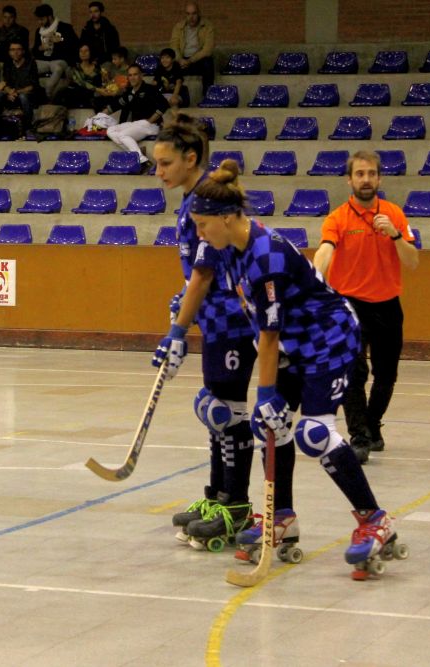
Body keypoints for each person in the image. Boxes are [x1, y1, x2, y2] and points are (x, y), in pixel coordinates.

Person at [189, 159, 404, 576]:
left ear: (229, 218)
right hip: (292, 340)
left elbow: (268, 335)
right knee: (270, 425)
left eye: (203, 225)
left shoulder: (264, 255)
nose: (199, 233)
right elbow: (258, 321)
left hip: (330, 338)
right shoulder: (230, 250)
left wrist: (267, 393)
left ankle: (375, 520)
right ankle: (281, 517)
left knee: (314, 433)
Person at [150, 115, 257, 550]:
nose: (158, 172)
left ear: (190, 158)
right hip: (213, 321)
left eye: (165, 163)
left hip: (233, 322)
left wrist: (177, 331)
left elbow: (204, 276)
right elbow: (195, 277)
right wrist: (185, 304)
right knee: (215, 411)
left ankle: (237, 505)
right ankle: (218, 497)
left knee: (228, 413)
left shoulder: (209, 200)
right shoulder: (189, 199)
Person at [313, 151, 419, 461]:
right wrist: (316, 278)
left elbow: (412, 262)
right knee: (353, 372)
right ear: (350, 180)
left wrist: (396, 235)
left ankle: (372, 425)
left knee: (387, 375)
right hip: (349, 307)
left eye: (371, 173)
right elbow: (325, 250)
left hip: (387, 305)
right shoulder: (338, 218)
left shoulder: (394, 214)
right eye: (360, 174)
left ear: (380, 178)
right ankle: (359, 436)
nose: (366, 179)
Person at [103, 63, 169, 171]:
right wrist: (98, 117)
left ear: (141, 76)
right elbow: (115, 105)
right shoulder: (129, 92)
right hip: (136, 124)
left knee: (123, 135)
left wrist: (150, 120)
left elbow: (164, 104)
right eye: (130, 75)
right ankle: (140, 156)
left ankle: (139, 158)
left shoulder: (150, 89)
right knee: (110, 130)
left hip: (151, 125)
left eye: (135, 74)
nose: (132, 77)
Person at [0, 40, 44, 133]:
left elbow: (33, 85)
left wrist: (16, 93)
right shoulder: (7, 64)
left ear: (23, 51)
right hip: (11, 95)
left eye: (18, 49)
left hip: (27, 95)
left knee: (23, 97)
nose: (15, 52)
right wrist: (9, 92)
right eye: (12, 50)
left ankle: (28, 127)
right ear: (9, 52)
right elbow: (4, 83)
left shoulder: (30, 63)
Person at [31, 4, 78, 101]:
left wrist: (60, 40)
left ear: (49, 17)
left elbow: (75, 45)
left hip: (59, 59)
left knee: (58, 68)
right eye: (38, 19)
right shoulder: (38, 31)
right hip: (43, 60)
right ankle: (32, 90)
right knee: (30, 66)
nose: (39, 22)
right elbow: (34, 50)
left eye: (42, 19)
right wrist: (41, 48)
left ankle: (47, 93)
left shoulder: (65, 28)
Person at [169, 2, 214, 96]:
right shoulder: (178, 27)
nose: (191, 17)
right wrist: (180, 59)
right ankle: (172, 95)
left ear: (199, 13)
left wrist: (190, 60)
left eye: (194, 13)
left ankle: (207, 95)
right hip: (182, 60)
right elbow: (173, 46)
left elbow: (207, 50)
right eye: (188, 14)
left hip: (197, 60)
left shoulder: (208, 27)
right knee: (167, 63)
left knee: (208, 63)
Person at [54, 43, 102, 109]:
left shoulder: (97, 68)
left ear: (91, 52)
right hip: (79, 93)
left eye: (86, 51)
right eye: (81, 51)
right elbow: (81, 82)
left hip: (93, 94)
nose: (83, 53)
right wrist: (98, 89)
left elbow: (101, 82)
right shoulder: (75, 67)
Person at [79, 1, 119, 65]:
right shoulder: (86, 30)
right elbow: (82, 46)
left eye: (96, 11)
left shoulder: (110, 29)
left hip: (106, 60)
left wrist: (99, 61)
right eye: (90, 12)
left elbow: (114, 49)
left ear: (101, 12)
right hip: (89, 60)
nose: (93, 14)